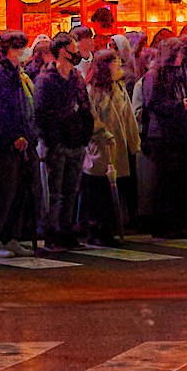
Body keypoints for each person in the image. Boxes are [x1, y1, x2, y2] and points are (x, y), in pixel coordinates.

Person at [0, 32, 39, 256]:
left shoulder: (16, 73)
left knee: (17, 192)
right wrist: (13, 136)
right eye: (20, 48)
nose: (24, 52)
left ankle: (9, 236)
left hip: (21, 142)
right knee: (0, 192)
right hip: (2, 145)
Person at [33, 39, 93, 250]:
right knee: (55, 192)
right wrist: (53, 140)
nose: (76, 54)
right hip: (58, 144)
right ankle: (53, 233)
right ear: (61, 51)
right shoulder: (46, 81)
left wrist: (85, 134)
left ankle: (67, 231)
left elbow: (85, 106)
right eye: (72, 50)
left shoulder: (76, 78)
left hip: (76, 141)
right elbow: (40, 114)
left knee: (70, 191)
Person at [140, 36, 187, 237]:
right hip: (162, 134)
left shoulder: (178, 74)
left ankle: (178, 222)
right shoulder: (154, 75)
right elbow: (153, 104)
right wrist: (179, 105)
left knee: (178, 180)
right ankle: (163, 224)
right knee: (165, 180)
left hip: (179, 133)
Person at [81, 50, 139, 243]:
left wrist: (133, 143)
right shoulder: (94, 91)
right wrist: (102, 134)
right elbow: (91, 118)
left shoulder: (118, 88)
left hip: (119, 147)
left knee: (114, 189)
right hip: (101, 147)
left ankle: (108, 228)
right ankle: (95, 229)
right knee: (99, 190)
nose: (118, 67)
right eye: (114, 63)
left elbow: (129, 117)